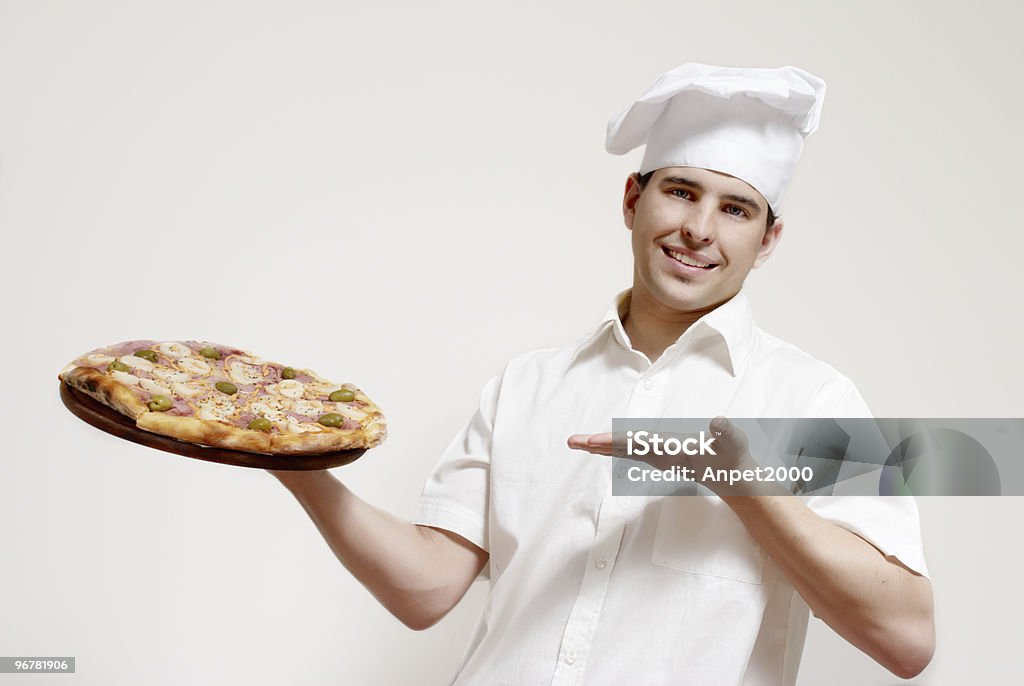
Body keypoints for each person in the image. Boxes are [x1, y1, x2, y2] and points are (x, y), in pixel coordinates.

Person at [270, 63, 935, 685]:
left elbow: (907, 639)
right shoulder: (528, 386)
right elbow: (426, 589)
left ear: (767, 240)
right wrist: (294, 462)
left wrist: (745, 487)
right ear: (631, 199)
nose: (700, 229)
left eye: (735, 209)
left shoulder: (812, 399)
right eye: (681, 191)